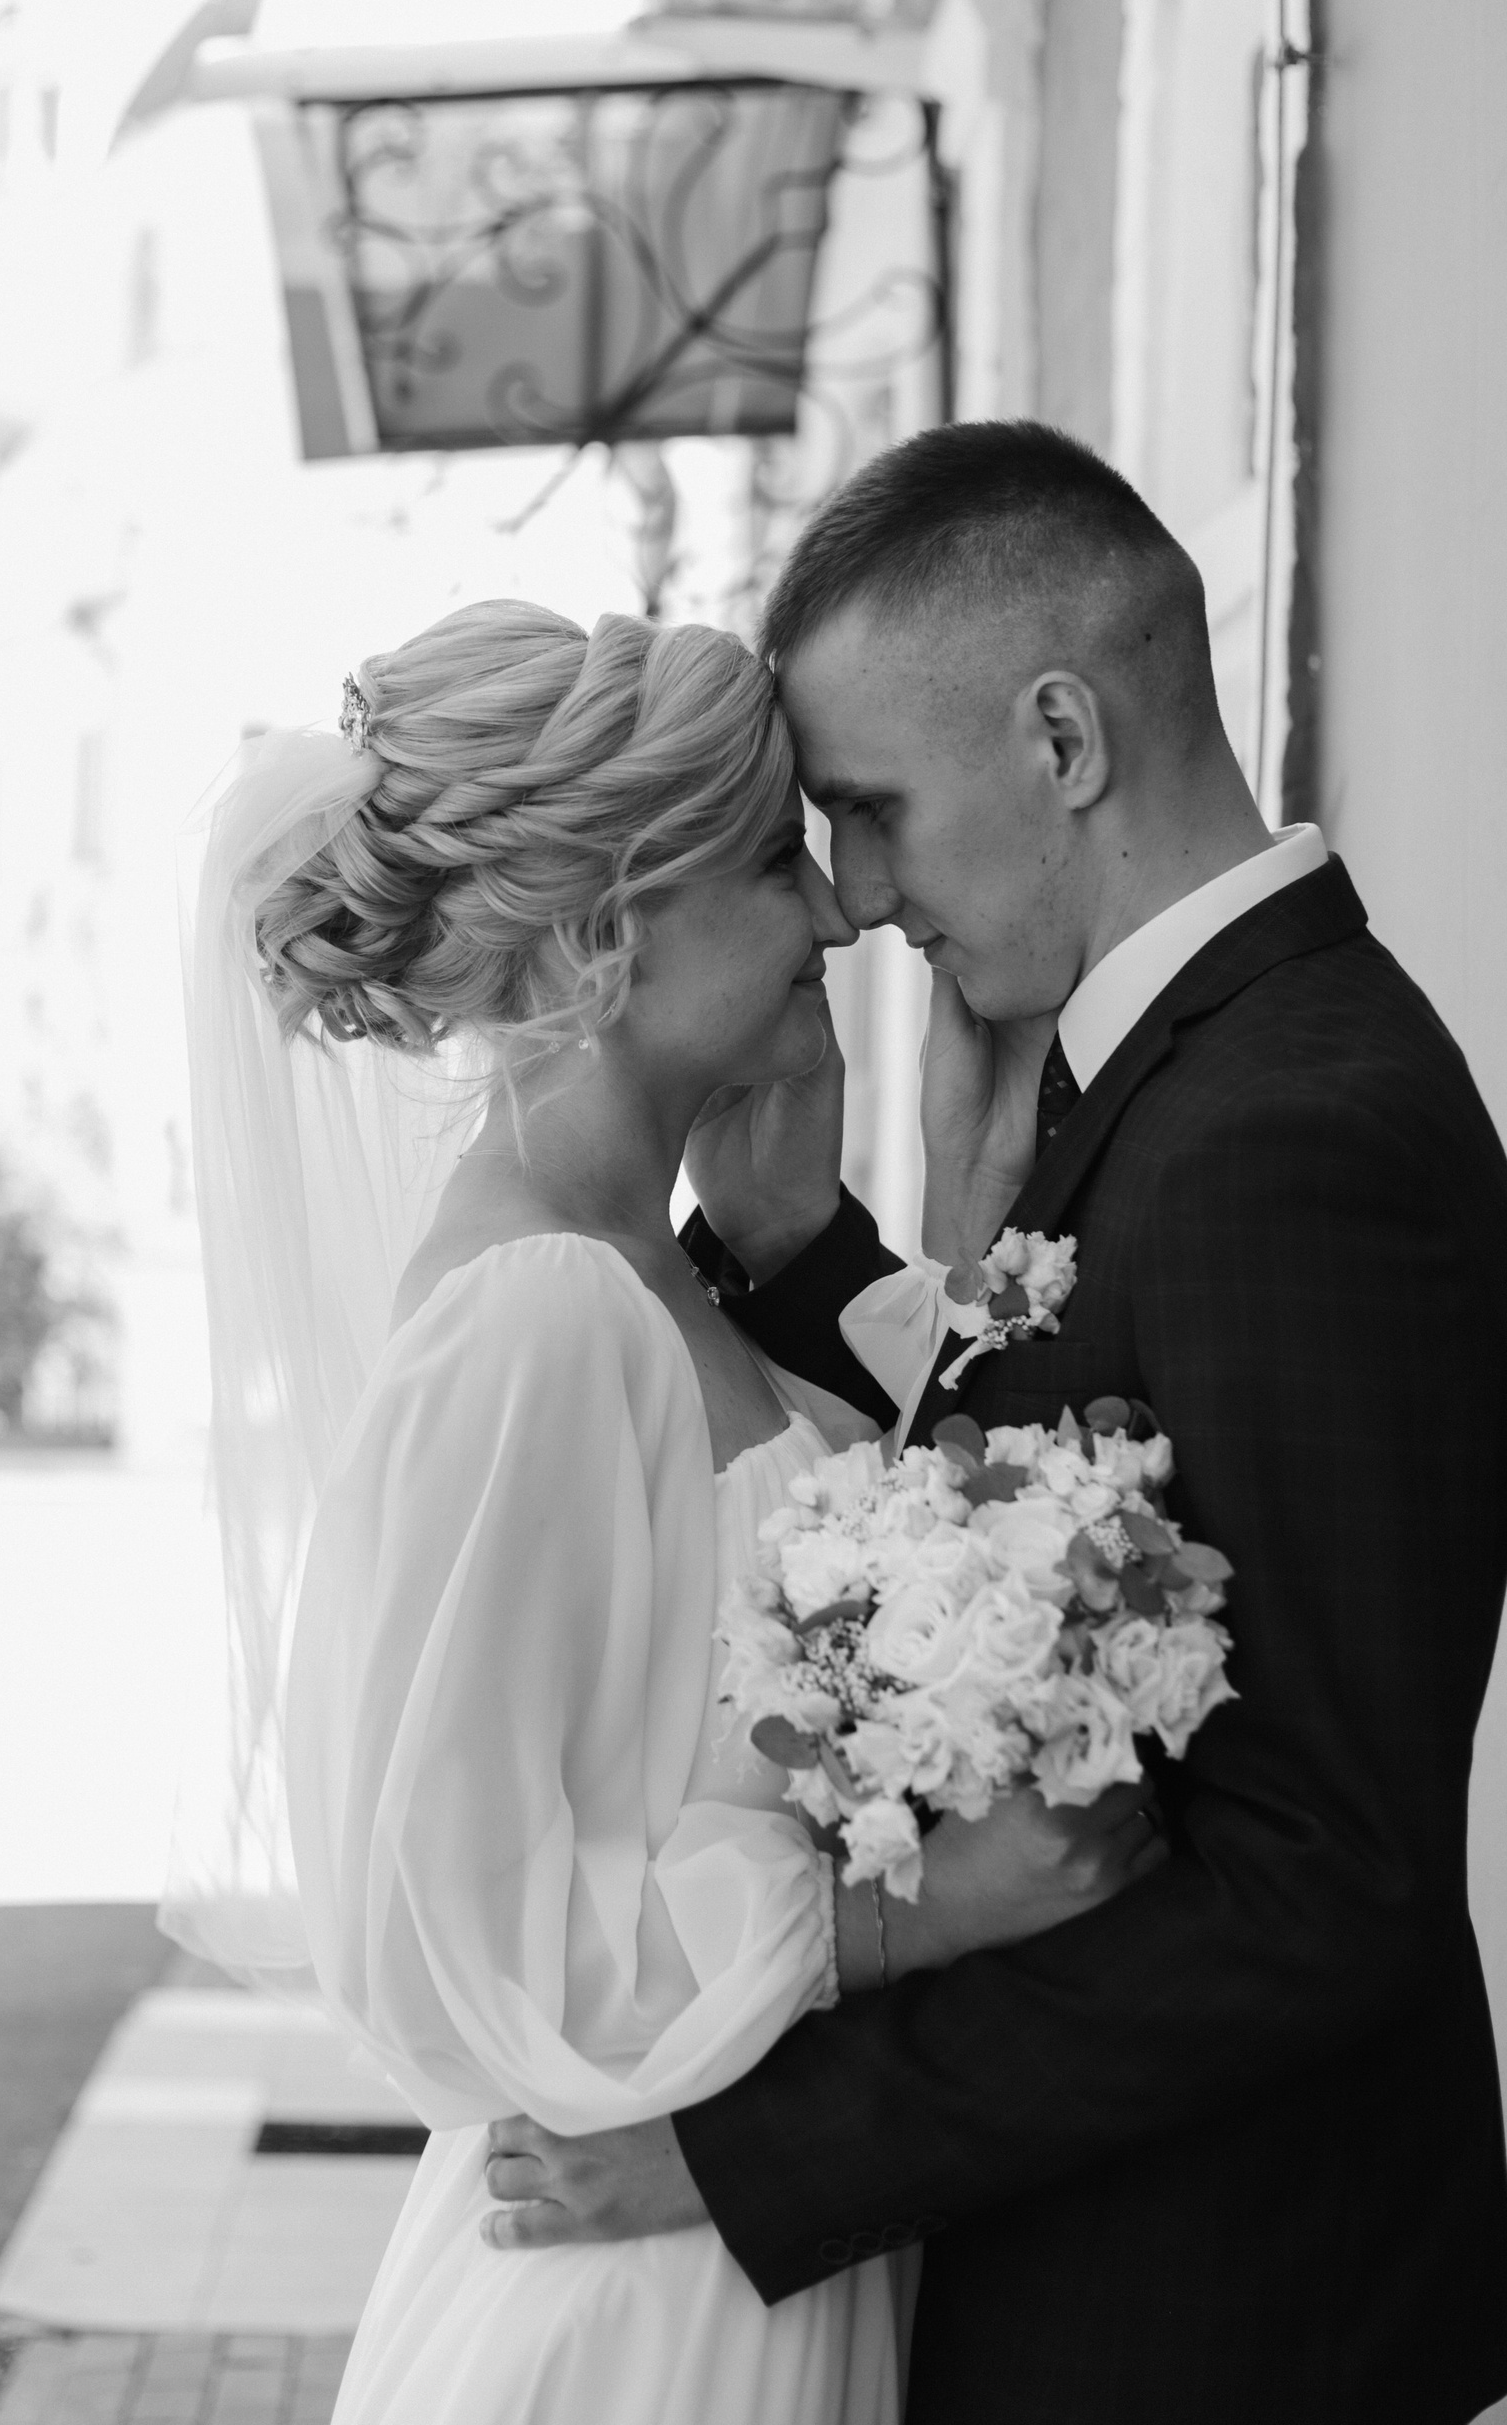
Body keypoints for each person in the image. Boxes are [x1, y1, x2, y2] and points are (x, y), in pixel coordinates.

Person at [481, 422, 1507, 2425]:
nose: (857, 898)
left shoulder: (1288, 1130)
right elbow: (1069, 1508)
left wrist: (740, 2151)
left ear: (1061, 739)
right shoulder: (1177, 1078)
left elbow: (1316, 1884)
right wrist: (818, 1252)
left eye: (869, 810)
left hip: (1216, 2322)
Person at [178, 597, 1157, 2425]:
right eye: (779, 860)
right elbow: (440, 1953)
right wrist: (902, 1921)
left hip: (760, 2258)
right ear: (609, 930)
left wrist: (909, 1221)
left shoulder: (656, 1275)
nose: (841, 916)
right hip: (627, 2311)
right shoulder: (534, 1320)